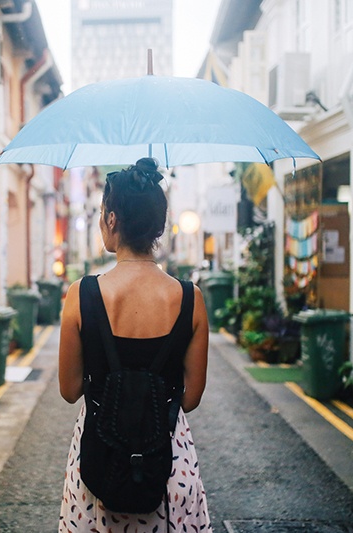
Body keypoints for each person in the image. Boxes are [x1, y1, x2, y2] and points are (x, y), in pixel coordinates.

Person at [58, 158, 210, 531]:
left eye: (101, 214)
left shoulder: (82, 295)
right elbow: (190, 397)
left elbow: (69, 389)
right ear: (158, 224)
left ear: (112, 220)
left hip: (101, 464)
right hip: (167, 463)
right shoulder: (191, 299)